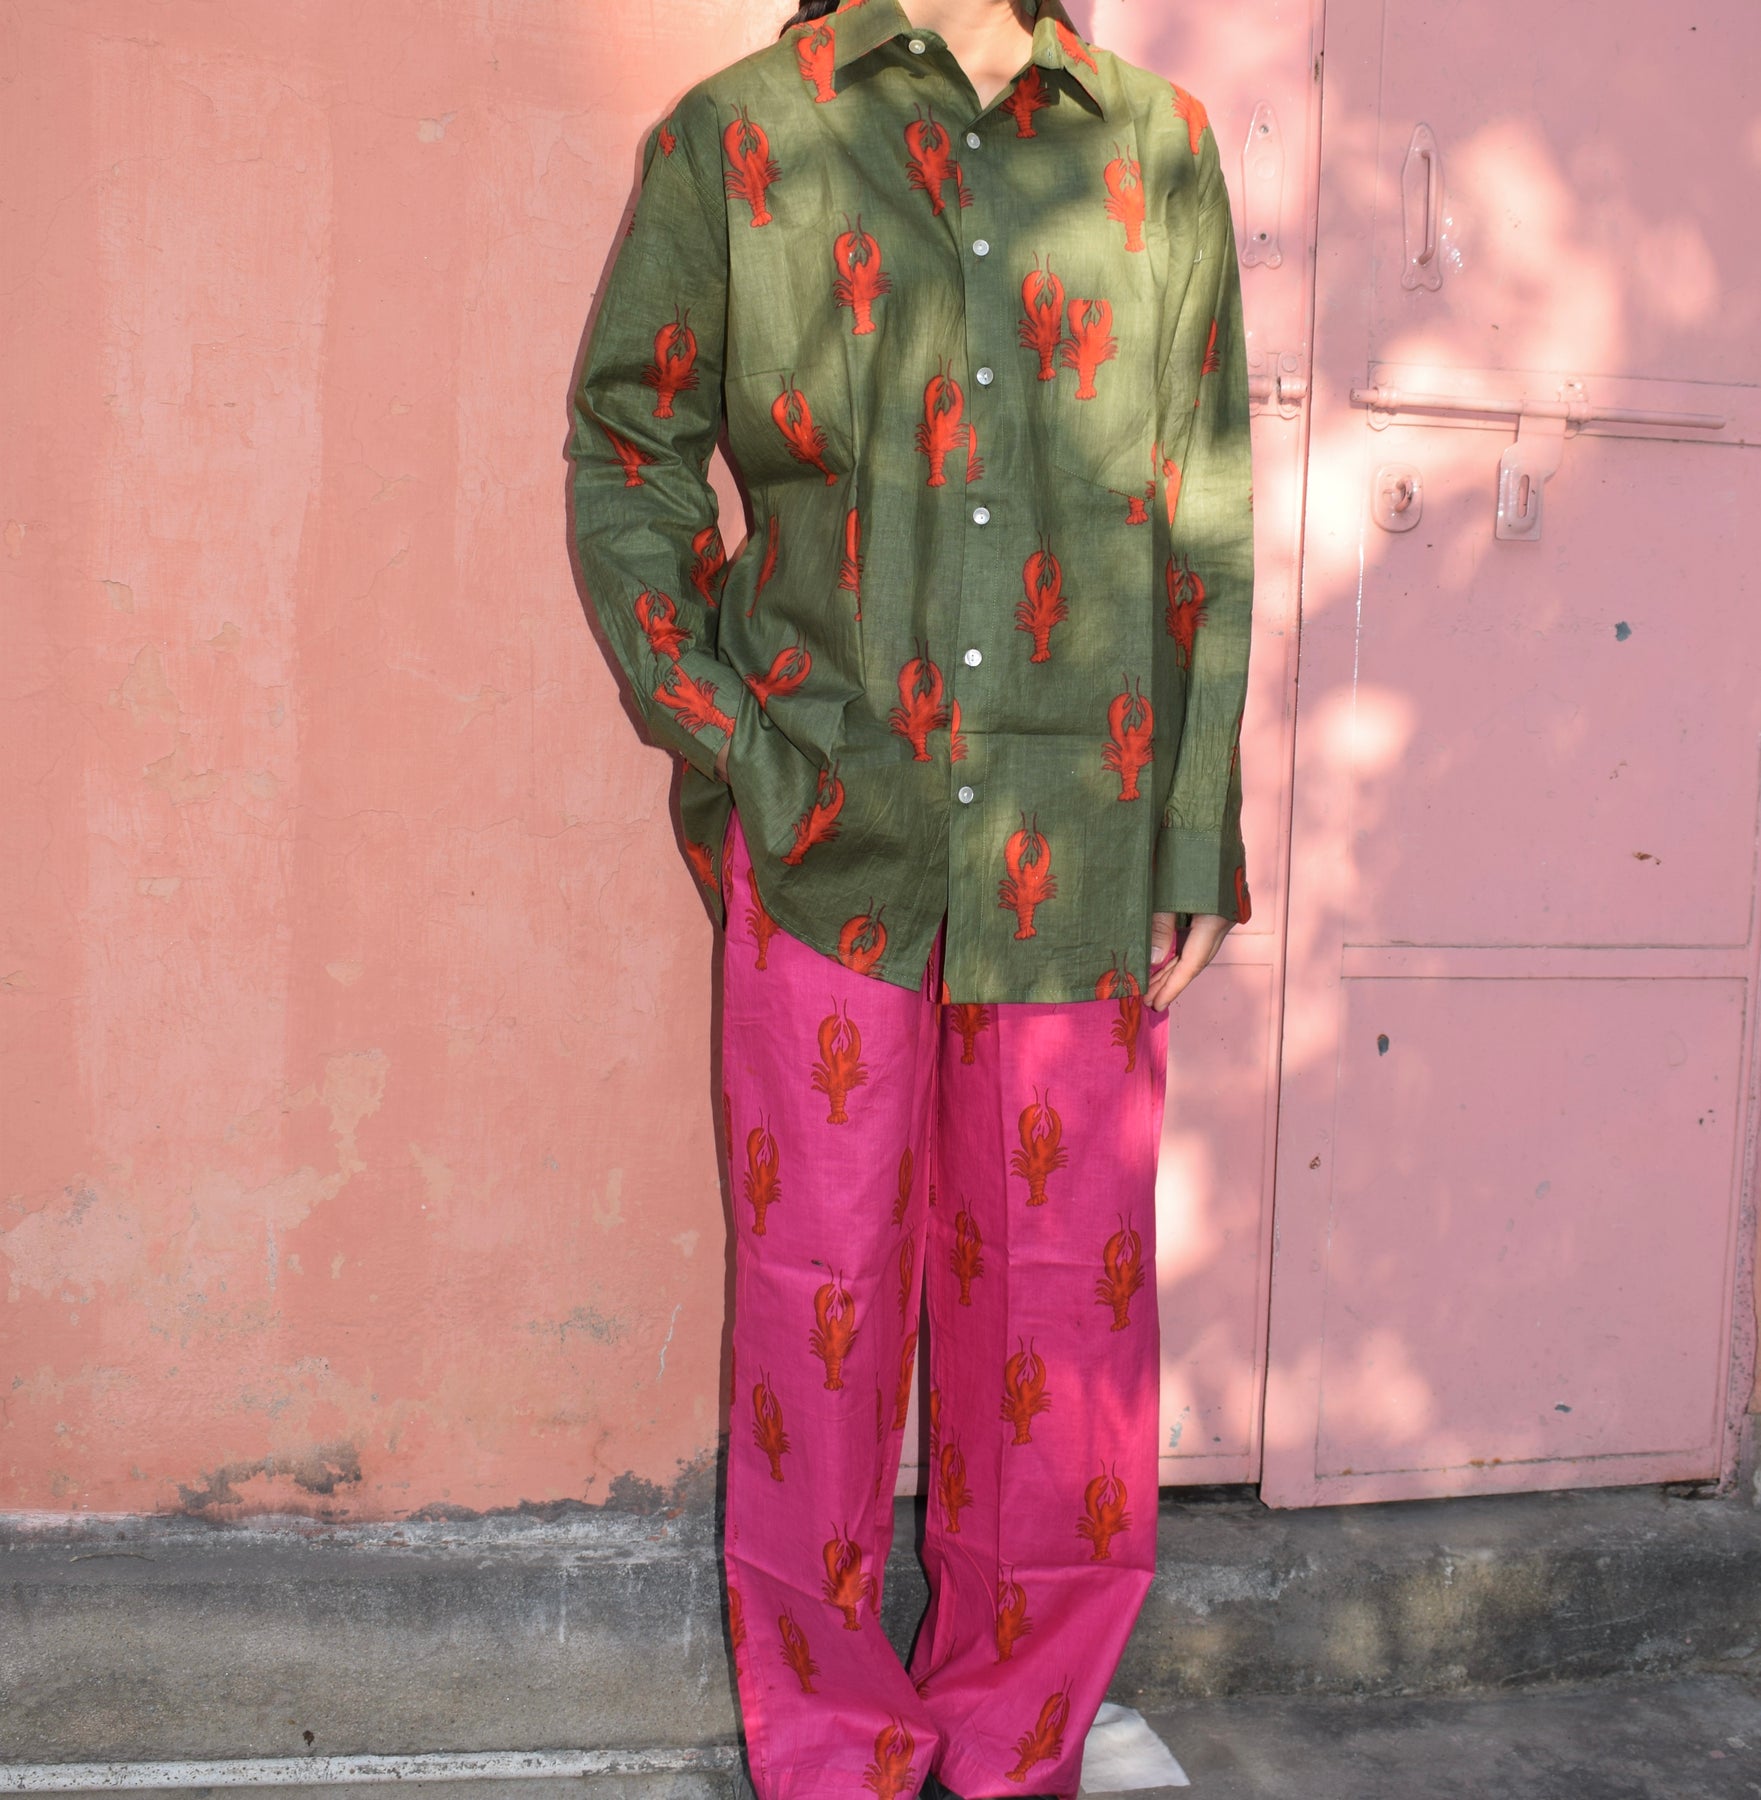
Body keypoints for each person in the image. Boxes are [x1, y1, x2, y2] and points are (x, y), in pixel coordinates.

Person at [566, 0, 1254, 1792]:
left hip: (1078, 836)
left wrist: (1192, 829)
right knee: (819, 1305)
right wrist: (732, 735)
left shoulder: (1156, 147)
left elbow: (1203, 503)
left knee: (1062, 1316)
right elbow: (628, 440)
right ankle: (832, 1748)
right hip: (830, 839)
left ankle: (1019, 1735)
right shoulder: (739, 134)